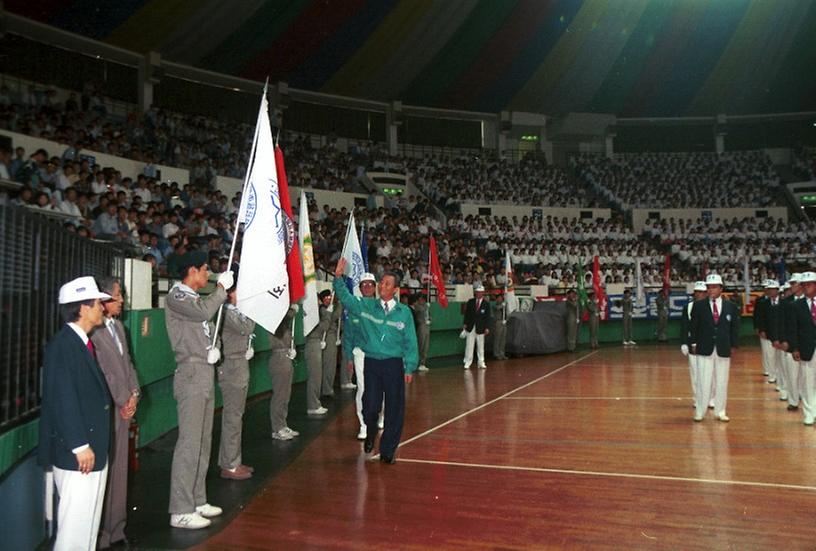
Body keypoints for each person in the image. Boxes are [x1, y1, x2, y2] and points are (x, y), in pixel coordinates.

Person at [39, 276, 112, 551]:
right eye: (97, 303)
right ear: (82, 308)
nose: (102, 309)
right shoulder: (63, 345)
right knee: (74, 530)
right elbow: (62, 398)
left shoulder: (77, 343)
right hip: (80, 455)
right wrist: (80, 445)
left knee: (87, 526)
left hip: (90, 452)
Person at [165, 250, 233, 529]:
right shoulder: (177, 296)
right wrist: (220, 290)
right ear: (191, 271)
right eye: (205, 269)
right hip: (191, 374)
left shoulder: (192, 298)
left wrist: (212, 349)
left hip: (204, 371)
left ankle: (197, 498)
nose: (208, 274)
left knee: (204, 441)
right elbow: (204, 311)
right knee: (190, 444)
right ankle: (180, 509)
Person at [333, 258, 418, 464]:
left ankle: (388, 450)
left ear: (395, 290)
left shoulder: (404, 313)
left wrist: (409, 367)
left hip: (393, 364)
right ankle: (371, 431)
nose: (382, 286)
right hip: (372, 363)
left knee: (394, 408)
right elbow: (345, 297)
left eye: (387, 284)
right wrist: (337, 278)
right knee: (370, 406)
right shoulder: (366, 306)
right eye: (381, 283)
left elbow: (410, 341)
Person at [90, 277, 140, 549]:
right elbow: (105, 373)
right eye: (118, 296)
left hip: (124, 408)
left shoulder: (119, 328)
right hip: (110, 410)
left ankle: (116, 529)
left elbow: (128, 364)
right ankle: (101, 535)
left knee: (120, 471)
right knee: (106, 473)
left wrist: (134, 394)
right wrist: (123, 399)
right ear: (104, 300)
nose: (122, 300)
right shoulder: (94, 333)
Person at [217, 278, 256, 481]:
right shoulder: (226, 312)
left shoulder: (234, 312)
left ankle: (233, 460)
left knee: (236, 415)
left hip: (239, 364)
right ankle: (229, 464)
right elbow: (247, 328)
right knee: (232, 416)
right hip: (231, 366)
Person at [690, 274, 740, 422]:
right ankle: (700, 411)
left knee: (722, 381)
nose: (711, 290)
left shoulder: (731, 306)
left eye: (714, 287)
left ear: (721, 289)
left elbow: (735, 328)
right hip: (704, 347)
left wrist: (734, 344)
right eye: (709, 287)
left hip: (723, 348)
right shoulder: (699, 306)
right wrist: (693, 343)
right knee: (703, 381)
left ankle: (720, 411)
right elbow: (694, 327)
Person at [343, 273, 384, 440]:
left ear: (375, 287)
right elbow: (348, 336)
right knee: (364, 389)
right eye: (364, 285)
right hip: (360, 354)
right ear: (359, 289)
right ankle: (364, 425)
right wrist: (349, 358)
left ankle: (380, 416)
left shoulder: (381, 307)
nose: (367, 287)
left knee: (381, 388)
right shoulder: (354, 309)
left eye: (370, 284)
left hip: (380, 354)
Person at [269, 305, 301, 440]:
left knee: (285, 395)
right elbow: (287, 316)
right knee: (280, 395)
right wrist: (292, 310)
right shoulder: (274, 323)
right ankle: (277, 428)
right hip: (279, 359)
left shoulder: (285, 325)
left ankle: (282, 424)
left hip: (286, 357)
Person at [789, 272, 816, 425]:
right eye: (803, 285)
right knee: (807, 381)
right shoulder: (796, 306)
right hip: (806, 347)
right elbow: (793, 329)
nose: (806, 287)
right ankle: (809, 413)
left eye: (809, 284)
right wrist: (795, 348)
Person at [680, 281, 707, 410]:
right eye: (697, 292)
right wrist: (684, 343)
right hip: (693, 344)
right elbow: (685, 326)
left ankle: (711, 398)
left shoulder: (712, 306)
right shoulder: (688, 307)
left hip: (708, 343)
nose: (699, 294)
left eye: (701, 292)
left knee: (710, 373)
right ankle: (697, 399)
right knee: (695, 373)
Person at [305, 290, 332, 416]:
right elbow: (324, 326)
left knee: (317, 375)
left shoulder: (315, 312)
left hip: (315, 342)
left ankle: (315, 403)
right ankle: (313, 405)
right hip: (312, 343)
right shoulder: (312, 313)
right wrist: (326, 313)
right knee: (315, 376)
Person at [781, 274, 805, 409]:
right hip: (791, 343)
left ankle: (807, 398)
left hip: (808, 343)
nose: (792, 286)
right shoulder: (785, 302)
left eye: (794, 283)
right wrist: (783, 339)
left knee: (808, 375)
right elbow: (782, 323)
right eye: (791, 284)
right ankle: (793, 401)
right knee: (792, 374)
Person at [461, 284, 491, 369]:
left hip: (481, 328)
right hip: (471, 326)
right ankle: (467, 362)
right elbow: (467, 314)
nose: (479, 294)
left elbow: (487, 317)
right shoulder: (470, 302)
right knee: (469, 345)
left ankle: (481, 362)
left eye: (480, 292)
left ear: (483, 293)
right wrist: (465, 323)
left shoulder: (486, 304)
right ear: (475, 293)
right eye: (477, 292)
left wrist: (487, 327)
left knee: (480, 346)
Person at [321, 293, 342, 399]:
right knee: (329, 363)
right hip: (327, 336)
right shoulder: (323, 310)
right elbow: (334, 317)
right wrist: (339, 305)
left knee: (332, 364)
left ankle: (328, 387)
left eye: (330, 297)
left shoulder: (330, 309)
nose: (329, 300)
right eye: (326, 298)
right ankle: (327, 389)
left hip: (332, 336)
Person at [412, 293, 432, 369]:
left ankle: (423, 363)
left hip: (427, 326)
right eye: (420, 299)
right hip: (421, 326)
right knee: (421, 344)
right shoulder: (417, 306)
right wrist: (426, 307)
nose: (422, 301)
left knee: (426, 345)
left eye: (423, 299)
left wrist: (430, 319)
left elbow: (429, 315)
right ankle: (417, 362)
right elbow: (419, 310)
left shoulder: (426, 307)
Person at [492, 293, 507, 360]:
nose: (500, 299)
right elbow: (497, 308)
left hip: (503, 321)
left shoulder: (504, 306)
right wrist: (502, 306)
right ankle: (496, 353)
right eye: (499, 298)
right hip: (498, 322)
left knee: (503, 338)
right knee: (497, 338)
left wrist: (506, 320)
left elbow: (507, 312)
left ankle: (502, 353)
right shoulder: (495, 305)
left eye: (501, 298)